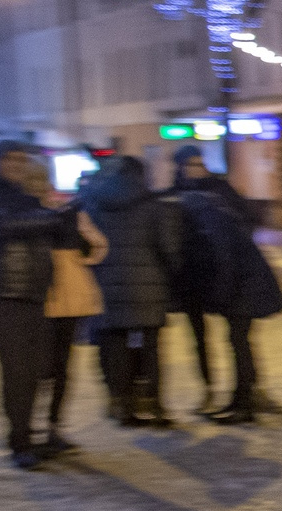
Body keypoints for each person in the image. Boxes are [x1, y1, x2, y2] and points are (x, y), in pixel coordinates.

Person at [173, 153, 282, 425]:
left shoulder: (211, 217)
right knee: (239, 342)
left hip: (243, 287)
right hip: (239, 284)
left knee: (239, 342)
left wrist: (219, 296)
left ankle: (244, 405)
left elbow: (226, 261)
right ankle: (240, 400)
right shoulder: (211, 211)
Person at [79, 153, 185, 429]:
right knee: (150, 348)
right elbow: (169, 249)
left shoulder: (93, 203)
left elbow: (85, 246)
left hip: (106, 288)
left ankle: (123, 405)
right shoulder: (154, 205)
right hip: (148, 289)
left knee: (114, 349)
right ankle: (156, 405)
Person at [0, 142, 70, 469]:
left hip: (36, 293)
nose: (18, 165)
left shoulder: (28, 198)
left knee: (39, 369)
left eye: (23, 160)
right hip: (7, 293)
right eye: (11, 160)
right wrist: (51, 218)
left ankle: (32, 434)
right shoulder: (5, 198)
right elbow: (7, 226)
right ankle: (21, 442)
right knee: (18, 372)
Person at [36, 153, 107, 456]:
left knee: (54, 367)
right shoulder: (70, 212)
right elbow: (99, 246)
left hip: (54, 297)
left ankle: (49, 427)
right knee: (55, 367)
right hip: (56, 296)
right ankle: (47, 427)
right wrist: (81, 260)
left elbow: (99, 244)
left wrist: (80, 259)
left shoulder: (69, 212)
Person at [166, 147, 227, 413]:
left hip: (220, 273)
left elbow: (245, 219)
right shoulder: (172, 196)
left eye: (200, 163)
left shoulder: (219, 191)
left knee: (236, 336)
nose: (196, 168)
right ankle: (209, 389)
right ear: (180, 166)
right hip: (190, 278)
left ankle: (246, 389)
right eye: (191, 164)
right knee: (199, 338)